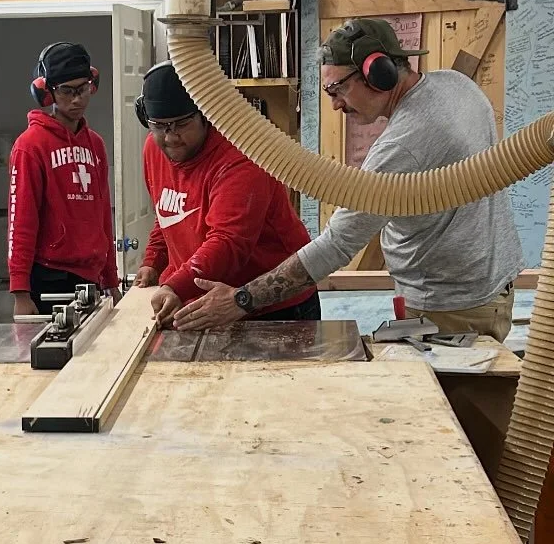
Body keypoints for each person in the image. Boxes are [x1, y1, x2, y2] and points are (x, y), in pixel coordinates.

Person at [175, 18, 523, 341]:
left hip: (452, 307)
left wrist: (242, 299)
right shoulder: (456, 84)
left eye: (337, 89)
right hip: (491, 285)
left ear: (378, 74)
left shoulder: (400, 148)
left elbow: (336, 245)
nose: (336, 105)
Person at [133, 62, 319, 328]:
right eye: (160, 126)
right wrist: (153, 261)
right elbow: (169, 212)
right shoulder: (154, 149)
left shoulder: (243, 155)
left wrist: (176, 286)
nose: (171, 137)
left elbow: (229, 242)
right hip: (207, 298)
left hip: (272, 305)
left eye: (182, 124)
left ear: (205, 114)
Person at [8, 42, 120, 317]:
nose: (77, 99)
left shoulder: (96, 145)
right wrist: (20, 292)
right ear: (47, 93)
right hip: (49, 277)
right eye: (67, 91)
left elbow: (103, 215)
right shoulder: (30, 145)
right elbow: (21, 220)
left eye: (83, 89)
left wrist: (111, 279)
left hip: (91, 278)